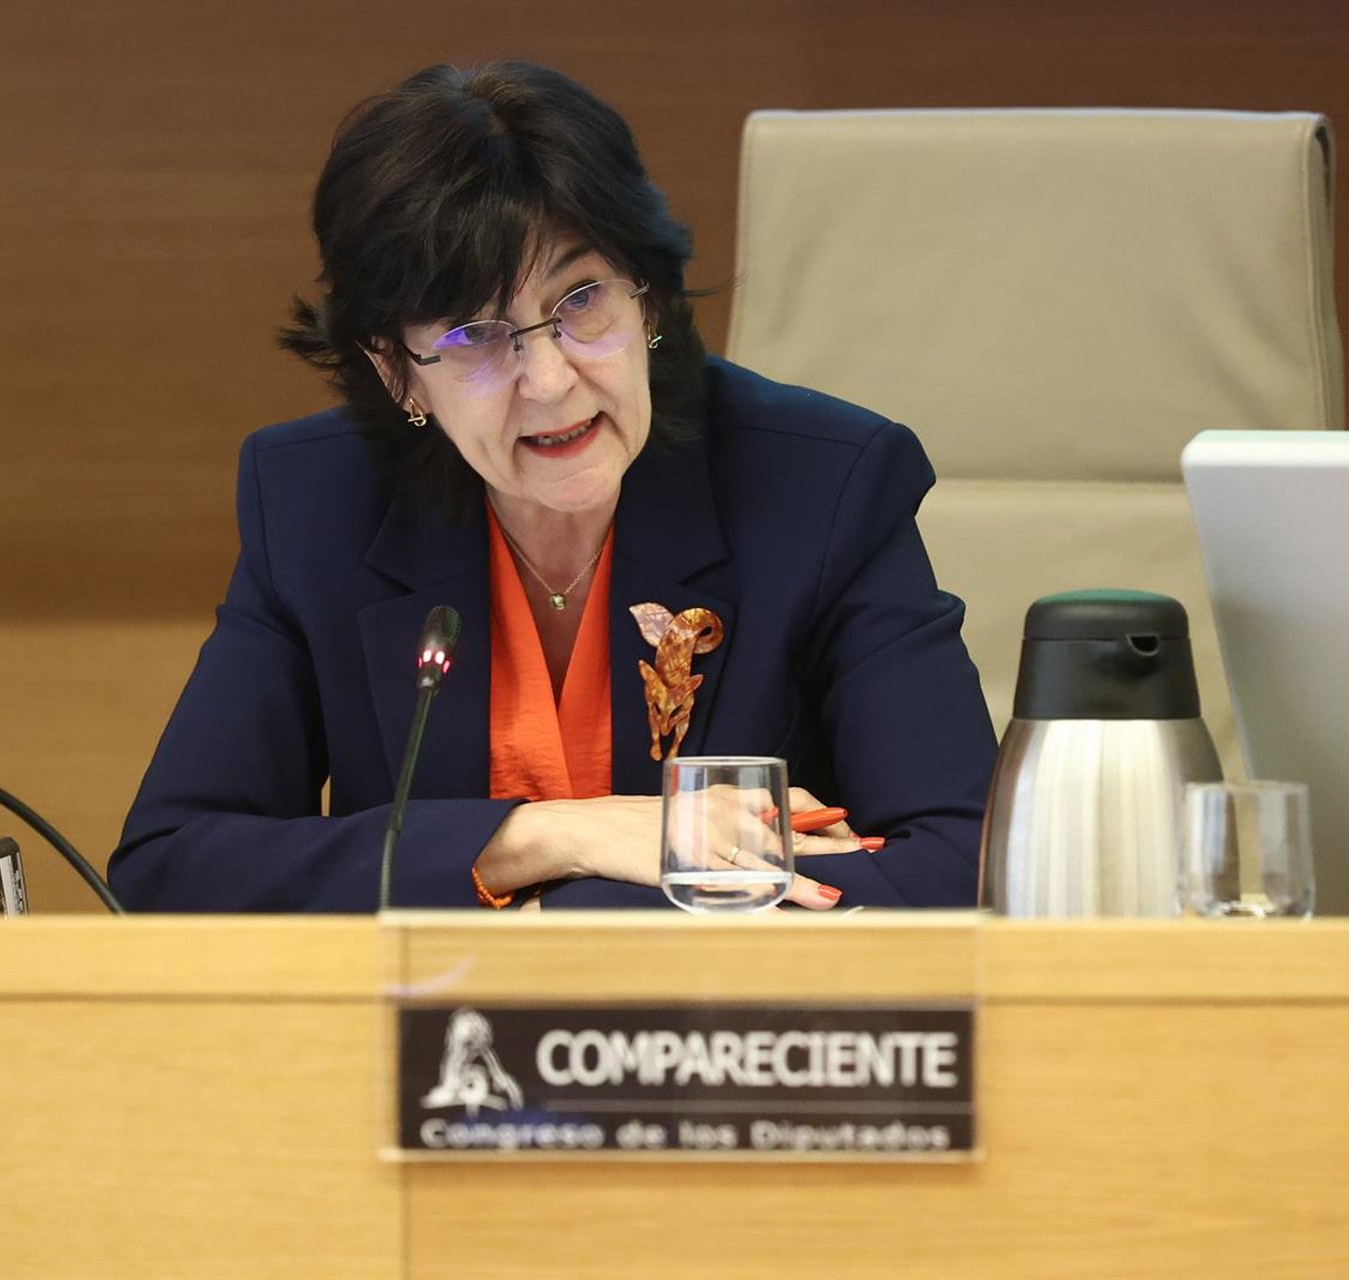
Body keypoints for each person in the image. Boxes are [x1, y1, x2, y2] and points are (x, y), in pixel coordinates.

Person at [109, 61, 995, 912]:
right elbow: (170, 868)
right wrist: (546, 836)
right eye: (474, 335)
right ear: (395, 372)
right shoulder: (315, 505)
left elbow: (968, 867)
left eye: (580, 300)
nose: (550, 380)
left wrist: (558, 923)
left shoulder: (822, 485)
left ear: (647, 300)